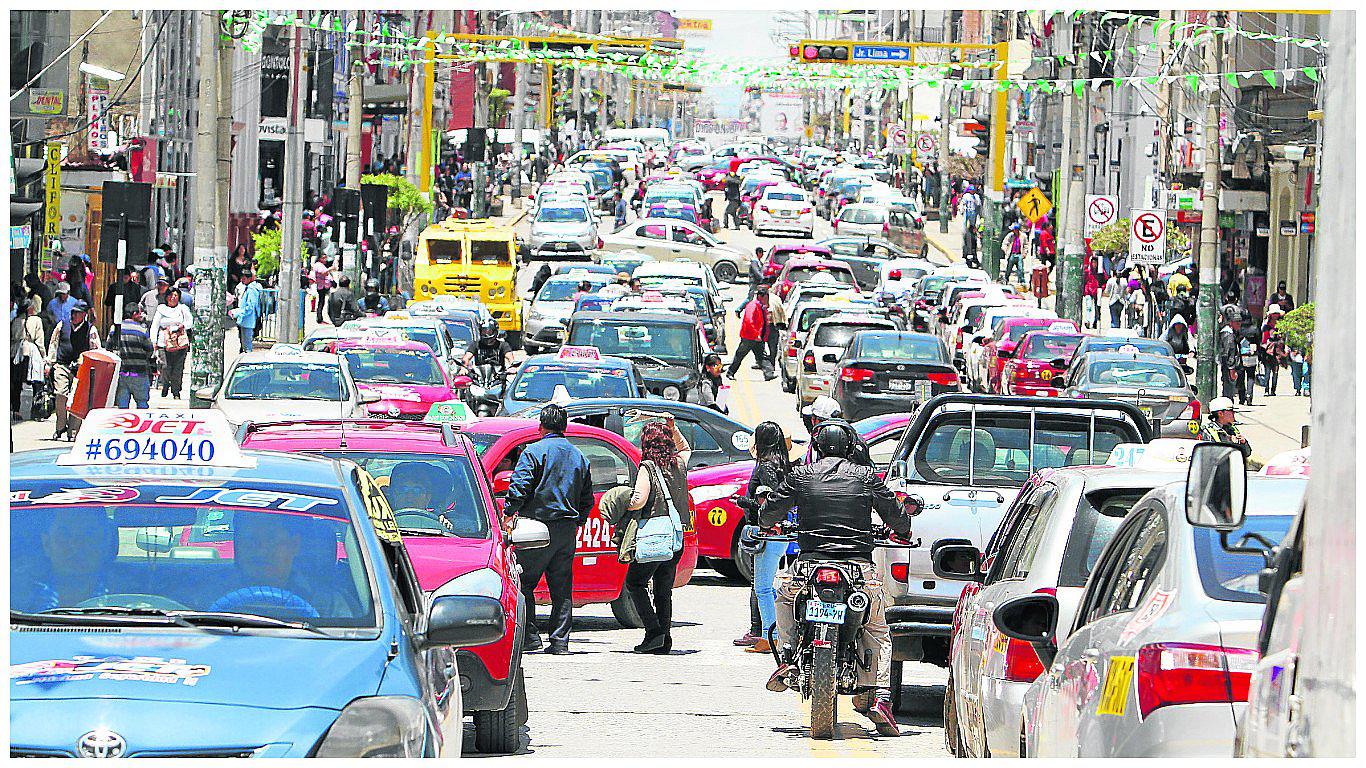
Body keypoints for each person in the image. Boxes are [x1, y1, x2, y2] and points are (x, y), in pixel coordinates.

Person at [759, 422, 912, 737]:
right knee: (877, 628)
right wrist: (901, 530)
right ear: (850, 447)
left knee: (784, 598)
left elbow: (769, 512)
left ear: (817, 447)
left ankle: (788, 656)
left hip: (809, 567)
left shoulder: (801, 475)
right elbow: (898, 517)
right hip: (858, 570)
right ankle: (881, 696)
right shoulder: (867, 476)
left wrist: (768, 523)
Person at [505, 405, 595, 654]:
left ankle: (530, 637)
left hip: (536, 528)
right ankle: (559, 642)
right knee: (562, 588)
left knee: (523, 583)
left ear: (541, 427)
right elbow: (587, 498)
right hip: (566, 530)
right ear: (564, 427)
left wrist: (509, 512)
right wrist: (578, 521)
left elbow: (519, 487)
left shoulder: (533, 452)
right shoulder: (579, 456)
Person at [620, 418, 693, 654]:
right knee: (663, 590)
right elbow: (685, 448)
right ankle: (665, 639)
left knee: (635, 583)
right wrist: (673, 428)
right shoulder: (679, 463)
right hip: (675, 538)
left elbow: (638, 500)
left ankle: (654, 632)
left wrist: (621, 501)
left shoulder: (648, 467)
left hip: (654, 537)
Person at [740, 422, 793, 654]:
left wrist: (745, 502)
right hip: (776, 534)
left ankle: (768, 637)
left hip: (767, 533)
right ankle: (776, 632)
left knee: (762, 587)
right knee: (767, 587)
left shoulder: (765, 467)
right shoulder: (783, 465)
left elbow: (772, 502)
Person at [11, 510, 118, 612]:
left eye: (88, 534)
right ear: (47, 544)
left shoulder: (126, 591)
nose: (76, 544)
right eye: (64, 534)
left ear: (106, 541)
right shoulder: (13, 592)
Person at [46, 301, 101, 440]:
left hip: (81, 368)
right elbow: (54, 343)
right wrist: (49, 363)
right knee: (60, 394)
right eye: (73, 312)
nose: (74, 316)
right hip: (62, 365)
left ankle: (73, 431)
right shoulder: (62, 325)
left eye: (77, 313)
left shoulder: (90, 330)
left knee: (78, 399)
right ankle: (60, 426)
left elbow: (95, 350)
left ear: (84, 315)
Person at [150, 287, 193, 400]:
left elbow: (190, 322)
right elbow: (155, 326)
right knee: (165, 366)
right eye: (170, 295)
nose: (172, 298)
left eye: (175, 295)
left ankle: (176, 391)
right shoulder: (161, 309)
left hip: (179, 343)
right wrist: (153, 341)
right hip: (163, 342)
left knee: (178, 368)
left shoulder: (183, 309)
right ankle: (165, 384)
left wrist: (182, 326)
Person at [727, 284, 776, 381]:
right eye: (766, 297)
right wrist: (756, 334)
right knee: (740, 355)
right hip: (749, 337)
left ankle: (769, 374)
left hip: (757, 337)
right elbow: (749, 321)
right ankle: (730, 372)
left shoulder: (761, 307)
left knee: (762, 356)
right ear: (761, 297)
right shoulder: (753, 306)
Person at [113, 304, 155, 409]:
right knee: (142, 404)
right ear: (134, 314)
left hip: (121, 373)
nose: (141, 315)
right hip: (139, 373)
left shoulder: (115, 329)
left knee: (122, 405)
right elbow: (149, 350)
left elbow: (109, 348)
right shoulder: (142, 330)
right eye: (140, 313)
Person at [12, 298, 45, 420]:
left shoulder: (15, 321)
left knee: (16, 383)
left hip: (16, 353)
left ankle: (16, 409)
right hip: (31, 352)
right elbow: (39, 340)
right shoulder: (36, 321)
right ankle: (36, 410)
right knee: (37, 383)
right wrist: (43, 356)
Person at [234, 271, 264, 353]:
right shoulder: (250, 288)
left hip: (248, 319)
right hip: (247, 319)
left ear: (249, 278)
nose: (242, 280)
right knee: (245, 343)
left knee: (247, 345)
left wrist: (238, 313)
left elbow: (250, 307)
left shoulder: (251, 290)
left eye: (244, 278)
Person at [1217, 313, 1241, 401]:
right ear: (1231, 322)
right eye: (1237, 322)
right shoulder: (1228, 334)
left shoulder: (1230, 333)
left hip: (1227, 365)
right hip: (1227, 366)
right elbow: (1228, 352)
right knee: (1228, 386)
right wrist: (1231, 368)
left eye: (1240, 322)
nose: (1239, 324)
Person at [311, 255, 333, 324]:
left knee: (322, 302)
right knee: (321, 302)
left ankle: (320, 318)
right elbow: (323, 273)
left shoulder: (321, 265)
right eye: (324, 258)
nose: (325, 260)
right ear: (320, 258)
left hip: (324, 286)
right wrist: (330, 268)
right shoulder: (318, 265)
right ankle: (319, 318)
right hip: (322, 286)